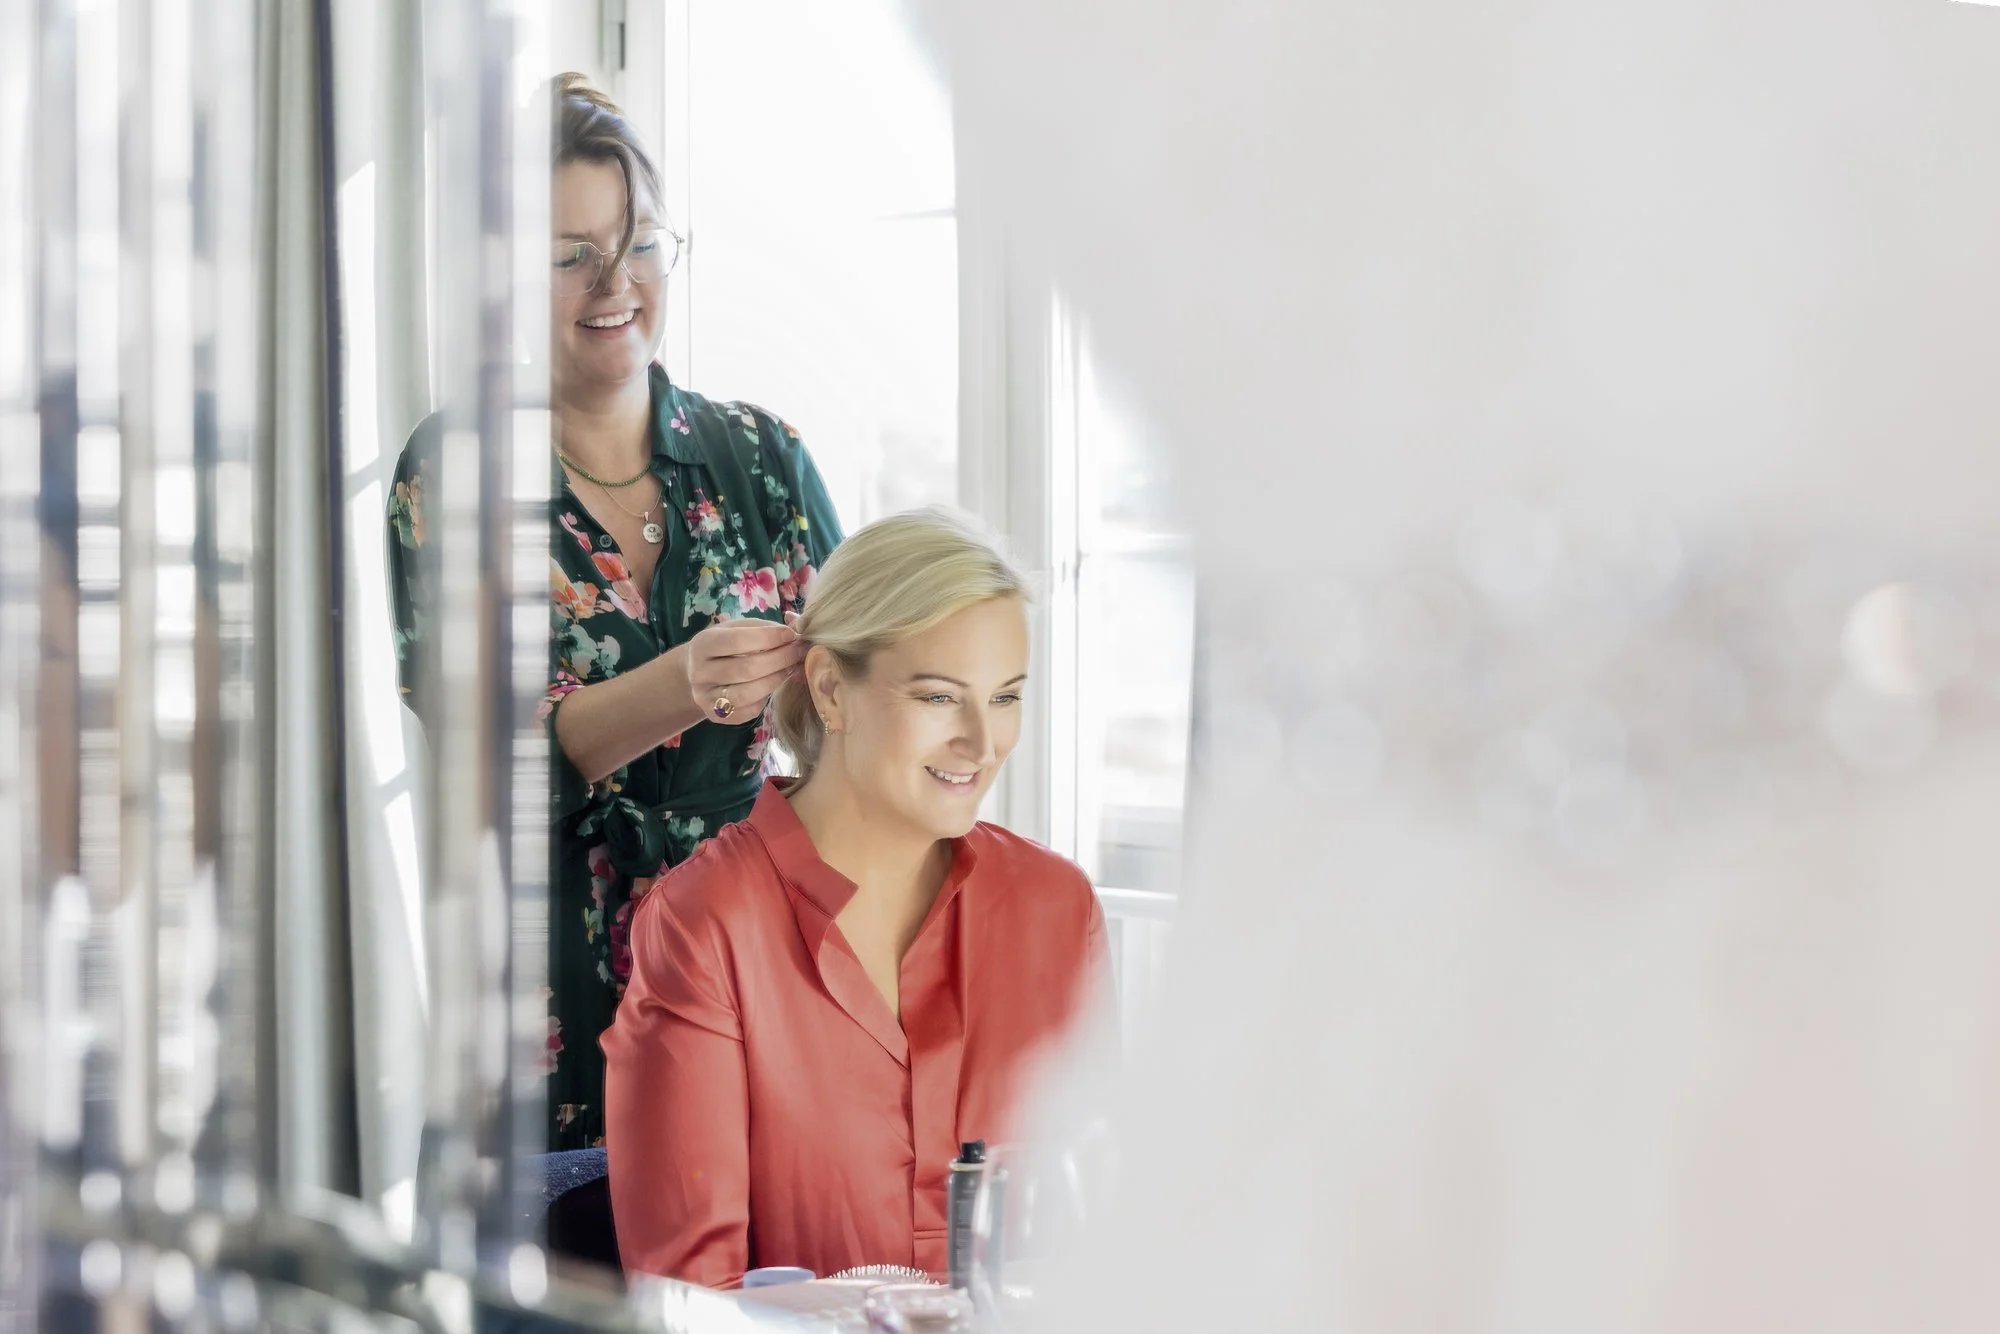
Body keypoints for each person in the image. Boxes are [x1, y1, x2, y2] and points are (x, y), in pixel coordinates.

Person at [386, 74, 843, 1150]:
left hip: (758, 974)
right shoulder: (450, 476)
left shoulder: (763, 459)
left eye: (637, 241)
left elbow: (850, 705)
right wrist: (685, 680)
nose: (614, 281)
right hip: (552, 995)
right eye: (567, 254)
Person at [600, 508, 1112, 1287]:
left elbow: (1107, 1243)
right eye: (940, 698)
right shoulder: (706, 926)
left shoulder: (1058, 908)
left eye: (1005, 697)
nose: (982, 742)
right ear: (832, 690)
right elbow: (690, 1301)